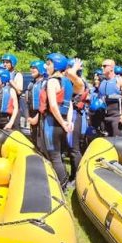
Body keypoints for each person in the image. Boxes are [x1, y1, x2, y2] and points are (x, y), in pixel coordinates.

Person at [41, 53, 85, 189]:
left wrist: (62, 122)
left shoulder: (52, 82)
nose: (46, 66)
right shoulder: (67, 82)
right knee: (58, 155)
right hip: (63, 122)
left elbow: (53, 106)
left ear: (56, 65)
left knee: (53, 155)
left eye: (49, 64)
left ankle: (62, 185)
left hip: (52, 123)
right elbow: (70, 104)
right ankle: (63, 181)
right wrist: (68, 122)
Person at [97, 59, 122, 137]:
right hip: (104, 118)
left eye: (104, 66)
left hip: (117, 118)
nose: (102, 67)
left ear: (111, 68)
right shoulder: (102, 82)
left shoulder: (120, 81)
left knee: (117, 143)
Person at [25, 60, 47, 154]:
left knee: (41, 143)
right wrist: (28, 117)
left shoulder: (45, 83)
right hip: (32, 115)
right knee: (34, 142)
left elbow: (44, 104)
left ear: (41, 69)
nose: (31, 70)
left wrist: (36, 118)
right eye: (31, 68)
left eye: (34, 68)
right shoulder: (31, 84)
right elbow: (26, 102)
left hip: (41, 116)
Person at [1, 54, 24, 129]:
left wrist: (10, 80)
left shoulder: (17, 75)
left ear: (12, 63)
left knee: (14, 129)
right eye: (4, 62)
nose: (5, 64)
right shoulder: (1, 74)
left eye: (7, 62)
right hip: (3, 106)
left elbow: (19, 91)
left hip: (14, 106)